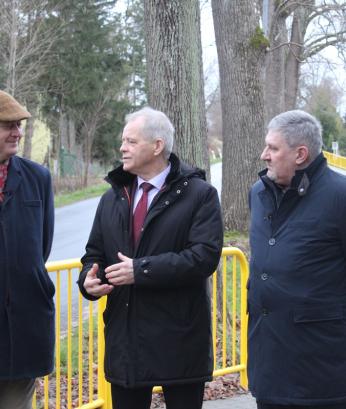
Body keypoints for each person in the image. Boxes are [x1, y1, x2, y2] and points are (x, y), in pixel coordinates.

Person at [78, 106, 223, 409]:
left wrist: (140, 271)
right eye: (123, 141)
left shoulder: (200, 195)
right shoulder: (112, 197)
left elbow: (204, 257)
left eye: (131, 141)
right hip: (126, 342)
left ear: (157, 146)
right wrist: (88, 280)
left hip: (179, 342)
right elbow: (94, 254)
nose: (122, 148)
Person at [248, 110, 346, 409]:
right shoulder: (259, 192)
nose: (264, 155)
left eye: (273, 148)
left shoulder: (339, 196)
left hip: (322, 372)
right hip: (270, 365)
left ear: (300, 154)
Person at [0, 90, 55, 409]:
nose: (17, 133)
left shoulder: (38, 178)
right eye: (8, 125)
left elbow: (41, 248)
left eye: (18, 125)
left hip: (23, 329)